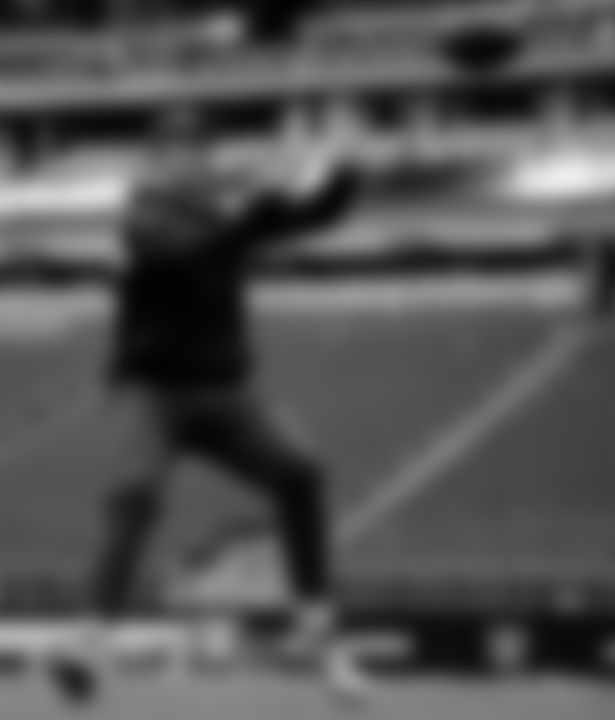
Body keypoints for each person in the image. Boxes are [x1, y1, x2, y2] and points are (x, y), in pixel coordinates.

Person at [49, 109, 373, 707]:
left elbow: (317, 215)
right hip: (155, 395)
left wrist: (346, 169)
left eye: (197, 148)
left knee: (301, 473)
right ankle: (91, 642)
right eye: (174, 149)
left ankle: (315, 627)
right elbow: (191, 256)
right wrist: (264, 191)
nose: (188, 158)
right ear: (153, 161)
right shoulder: (142, 215)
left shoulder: (224, 214)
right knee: (135, 492)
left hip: (226, 392)